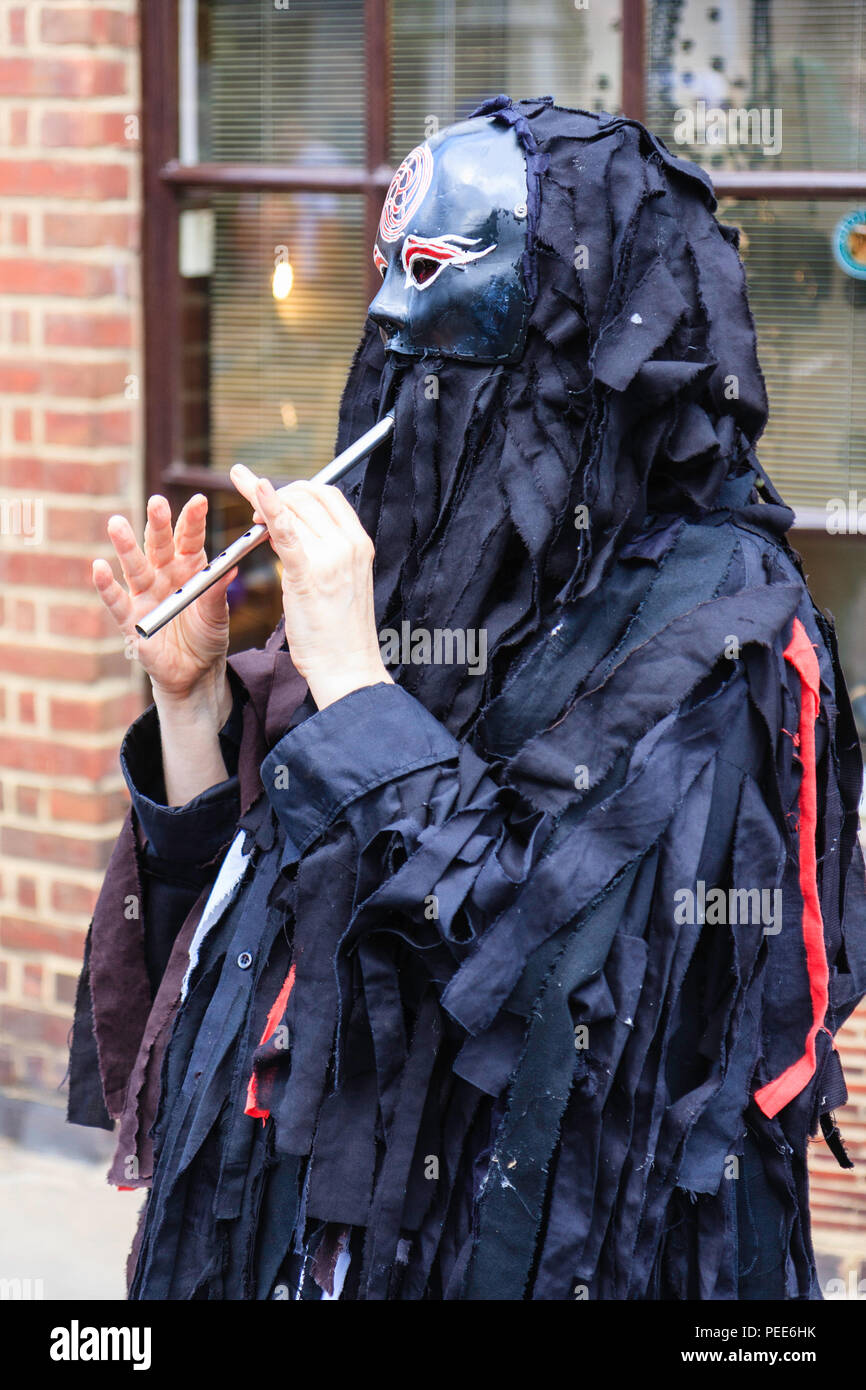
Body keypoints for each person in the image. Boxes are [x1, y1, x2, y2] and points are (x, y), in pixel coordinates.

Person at [68, 95, 866, 1301]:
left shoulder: (726, 628)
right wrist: (191, 709)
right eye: (393, 312)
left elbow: (553, 992)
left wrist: (354, 693)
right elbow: (260, 928)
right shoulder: (418, 574)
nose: (407, 367)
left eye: (447, 313)